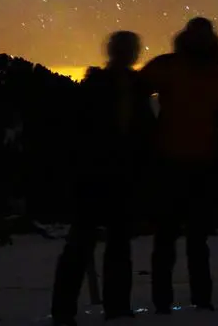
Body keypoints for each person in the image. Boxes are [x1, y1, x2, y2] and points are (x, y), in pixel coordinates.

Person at [52, 31, 155, 326]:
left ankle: (111, 308)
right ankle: (72, 311)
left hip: (115, 178)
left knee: (108, 246)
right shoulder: (105, 86)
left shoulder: (131, 88)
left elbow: (142, 134)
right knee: (86, 245)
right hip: (97, 178)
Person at [140, 17, 218, 314]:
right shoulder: (174, 66)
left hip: (198, 163)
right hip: (172, 162)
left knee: (193, 239)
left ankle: (198, 299)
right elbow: (138, 90)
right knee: (171, 238)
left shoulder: (208, 72)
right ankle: (168, 302)